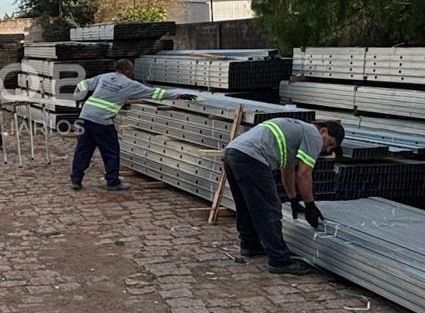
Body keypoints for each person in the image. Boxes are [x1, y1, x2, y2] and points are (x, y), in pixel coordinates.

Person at [223, 117, 344, 276]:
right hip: (252, 158)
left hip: (233, 152)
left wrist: (293, 199)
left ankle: (250, 244)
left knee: (245, 205)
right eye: (330, 143)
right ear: (323, 131)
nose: (327, 150)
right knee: (270, 209)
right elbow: (304, 174)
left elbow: (288, 171)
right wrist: (310, 205)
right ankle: (279, 260)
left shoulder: (296, 132)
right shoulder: (313, 135)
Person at [70, 59, 195, 191]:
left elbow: (82, 84)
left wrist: (79, 97)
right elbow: (155, 93)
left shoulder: (105, 77)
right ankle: (113, 182)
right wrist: (179, 95)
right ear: (127, 70)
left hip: (85, 116)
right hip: (102, 121)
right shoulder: (130, 84)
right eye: (132, 70)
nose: (132, 73)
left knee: (83, 150)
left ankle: (76, 180)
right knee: (111, 152)